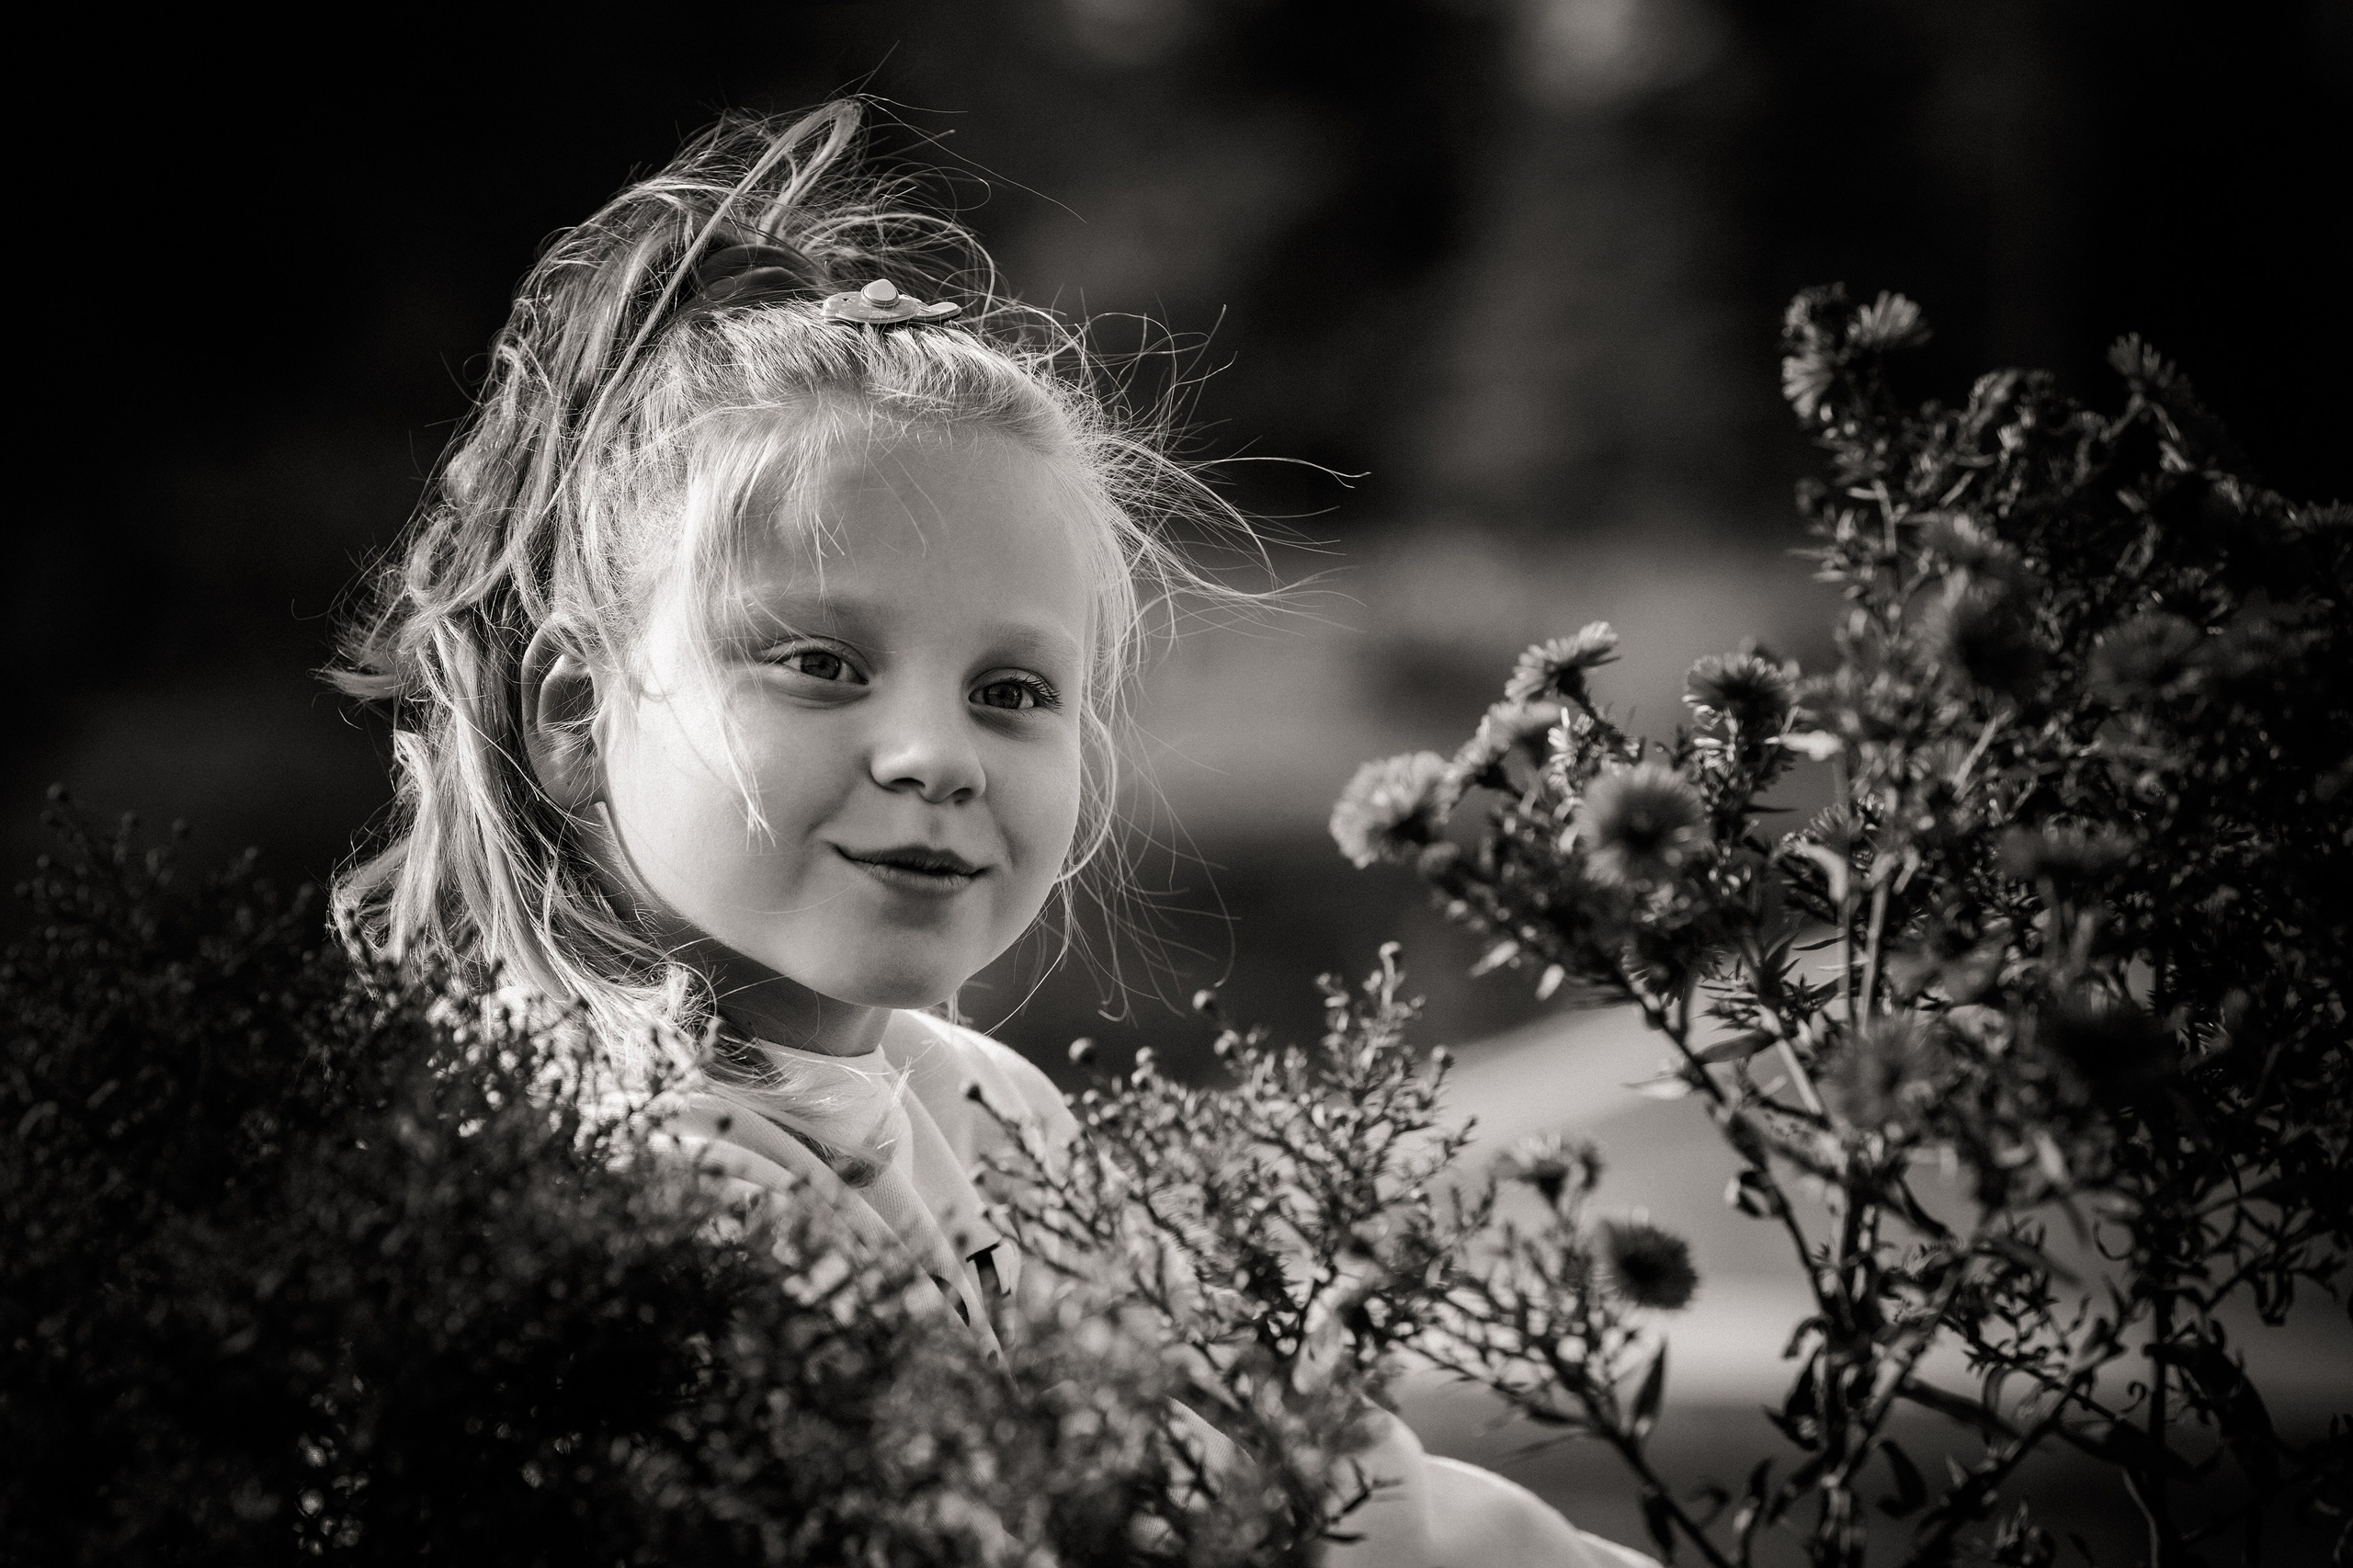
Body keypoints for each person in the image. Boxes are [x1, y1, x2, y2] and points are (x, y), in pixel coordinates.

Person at [331, 99, 1647, 1567]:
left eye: (1012, 689)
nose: (938, 753)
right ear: (578, 714)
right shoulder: (613, 1188)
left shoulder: (983, 1108)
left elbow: (1309, 1488)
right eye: (821, 662)